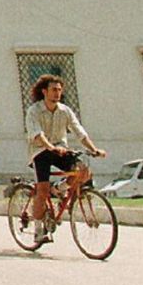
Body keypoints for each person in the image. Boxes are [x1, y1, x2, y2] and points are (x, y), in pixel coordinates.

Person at [25, 74, 106, 241]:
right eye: (54, 90)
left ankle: (60, 188)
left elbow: (79, 132)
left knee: (83, 171)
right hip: (40, 152)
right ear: (44, 91)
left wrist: (94, 149)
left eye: (59, 90)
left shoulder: (65, 111)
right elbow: (37, 135)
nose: (57, 93)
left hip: (60, 150)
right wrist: (50, 147)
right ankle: (38, 230)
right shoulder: (34, 111)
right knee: (42, 189)